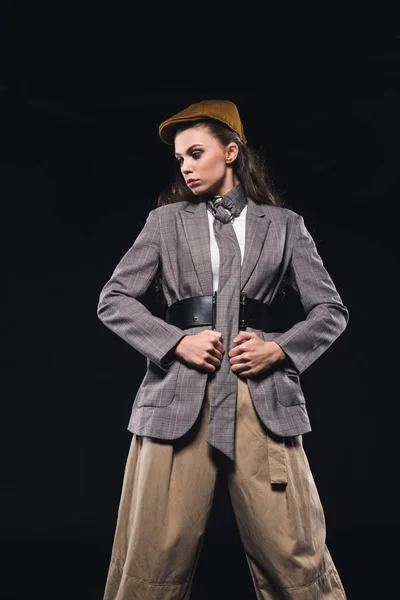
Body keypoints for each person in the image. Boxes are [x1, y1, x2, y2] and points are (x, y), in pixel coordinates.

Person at [97, 99, 349, 600]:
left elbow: (330, 312)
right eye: (180, 159)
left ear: (231, 152)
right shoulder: (164, 223)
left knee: (295, 553)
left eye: (196, 153)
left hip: (262, 400)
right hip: (176, 400)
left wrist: (277, 349)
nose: (186, 166)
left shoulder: (285, 226)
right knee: (152, 557)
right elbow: (114, 300)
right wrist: (176, 342)